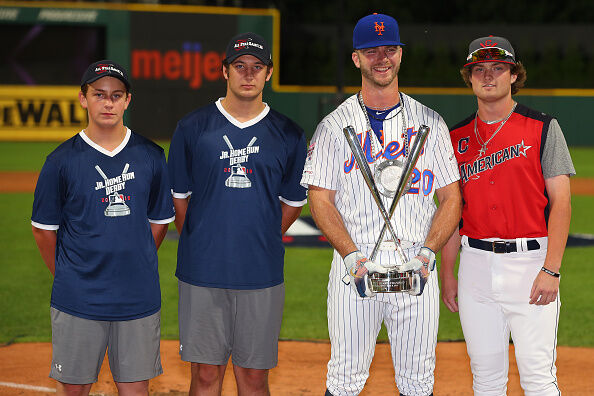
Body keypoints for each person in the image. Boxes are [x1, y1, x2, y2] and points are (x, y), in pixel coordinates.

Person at [301, 13, 462, 396]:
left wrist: (428, 254)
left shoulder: (431, 122)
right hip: (353, 269)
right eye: (371, 51)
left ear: (401, 54)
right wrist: (352, 256)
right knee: (344, 379)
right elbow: (320, 199)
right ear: (356, 58)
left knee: (418, 382)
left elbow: (451, 198)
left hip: (415, 270)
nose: (381, 57)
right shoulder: (333, 126)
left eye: (389, 48)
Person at [167, 32, 307, 396]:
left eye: (257, 68)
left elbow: (292, 202)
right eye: (240, 67)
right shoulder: (193, 127)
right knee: (206, 376)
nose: (248, 75)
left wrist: (258, 235)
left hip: (260, 271)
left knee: (253, 377)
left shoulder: (289, 134)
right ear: (224, 71)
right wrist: (202, 237)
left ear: (268, 74)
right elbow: (179, 201)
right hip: (203, 270)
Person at [31, 60, 175, 396]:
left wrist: (133, 261)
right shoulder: (61, 161)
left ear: (127, 100)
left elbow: (159, 223)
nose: (108, 102)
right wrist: (69, 274)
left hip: (137, 297)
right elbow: (43, 230)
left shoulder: (151, 156)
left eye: (116, 95)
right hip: (78, 299)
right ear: (83, 99)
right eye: (99, 94)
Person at [441, 36, 574, 395]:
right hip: (476, 268)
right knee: (485, 379)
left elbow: (561, 202)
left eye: (498, 68)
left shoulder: (543, 127)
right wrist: (448, 273)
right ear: (468, 78)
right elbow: (452, 213)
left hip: (531, 265)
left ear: (514, 75)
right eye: (478, 70)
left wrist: (551, 268)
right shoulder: (455, 138)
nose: (488, 76)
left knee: (538, 379)